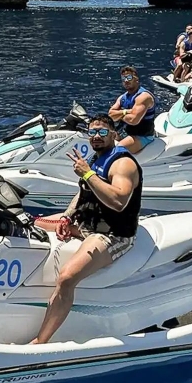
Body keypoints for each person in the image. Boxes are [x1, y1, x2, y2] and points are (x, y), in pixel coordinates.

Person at [32, 115, 142, 345]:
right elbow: (83, 192)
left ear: (114, 135)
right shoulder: (95, 158)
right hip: (86, 224)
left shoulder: (123, 164)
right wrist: (66, 216)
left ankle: (40, 341)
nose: (96, 136)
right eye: (92, 132)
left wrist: (88, 174)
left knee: (66, 278)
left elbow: (119, 201)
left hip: (111, 234)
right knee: (33, 224)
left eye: (102, 132)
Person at [108, 65, 156, 154]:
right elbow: (111, 115)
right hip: (125, 133)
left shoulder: (143, 97)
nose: (126, 80)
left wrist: (119, 115)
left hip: (142, 136)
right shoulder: (122, 98)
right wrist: (126, 111)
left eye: (129, 77)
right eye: (123, 78)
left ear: (136, 79)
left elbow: (133, 120)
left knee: (117, 151)